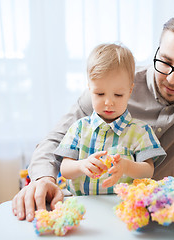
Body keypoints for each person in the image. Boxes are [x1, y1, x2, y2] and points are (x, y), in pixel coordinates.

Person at [12, 12, 174, 222]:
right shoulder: (114, 84)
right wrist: (44, 178)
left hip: (155, 213)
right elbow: (54, 141)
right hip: (93, 207)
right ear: (157, 51)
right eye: (165, 61)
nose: (171, 79)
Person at [55, 43, 166, 195]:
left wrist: (126, 167)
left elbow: (148, 171)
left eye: (118, 95)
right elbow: (65, 169)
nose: (108, 102)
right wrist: (81, 165)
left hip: (122, 207)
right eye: (100, 94)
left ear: (130, 91)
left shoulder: (140, 131)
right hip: (81, 206)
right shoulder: (79, 128)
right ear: (90, 89)